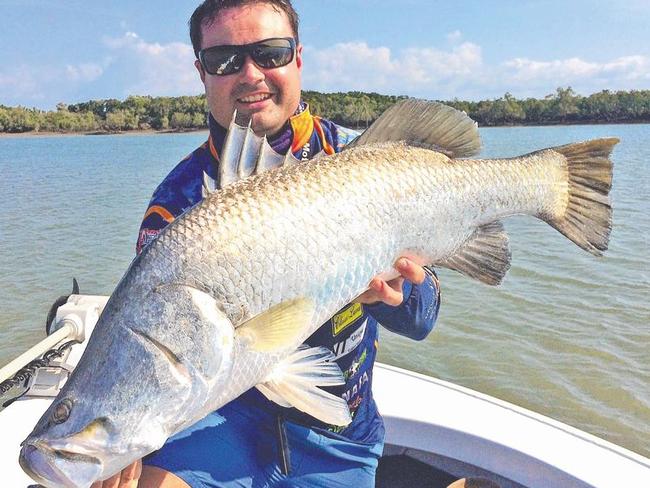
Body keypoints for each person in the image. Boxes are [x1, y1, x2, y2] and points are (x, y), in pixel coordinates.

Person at [93, 1, 441, 486]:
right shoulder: (176, 206)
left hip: (340, 433)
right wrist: (125, 437)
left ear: (298, 58)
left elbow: (424, 318)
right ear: (202, 73)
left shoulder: (367, 161)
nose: (251, 74)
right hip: (221, 423)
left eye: (270, 52)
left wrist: (398, 296)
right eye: (225, 60)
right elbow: (159, 351)